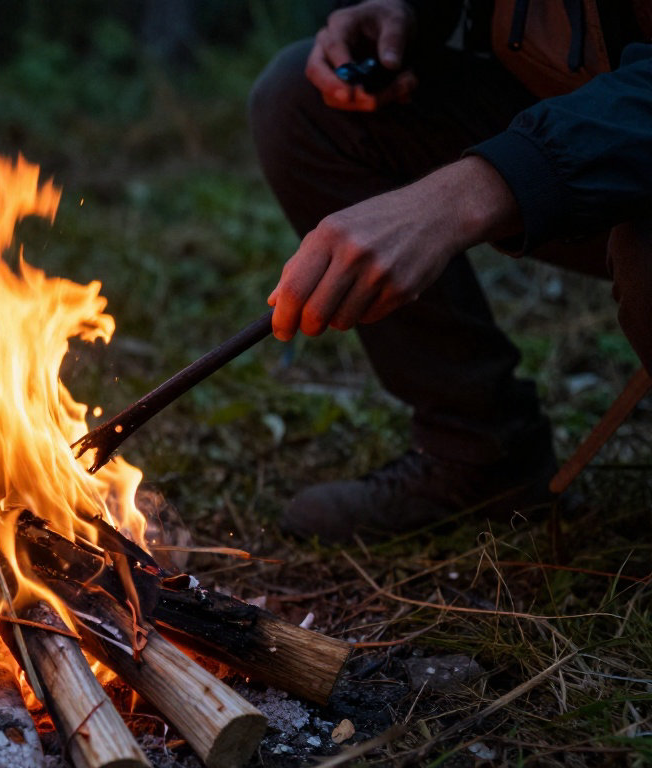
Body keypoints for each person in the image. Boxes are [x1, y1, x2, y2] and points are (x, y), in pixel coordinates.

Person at [249, 0, 652, 541]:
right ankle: (483, 454)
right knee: (298, 102)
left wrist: (472, 191)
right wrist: (407, 11)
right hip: (566, 109)